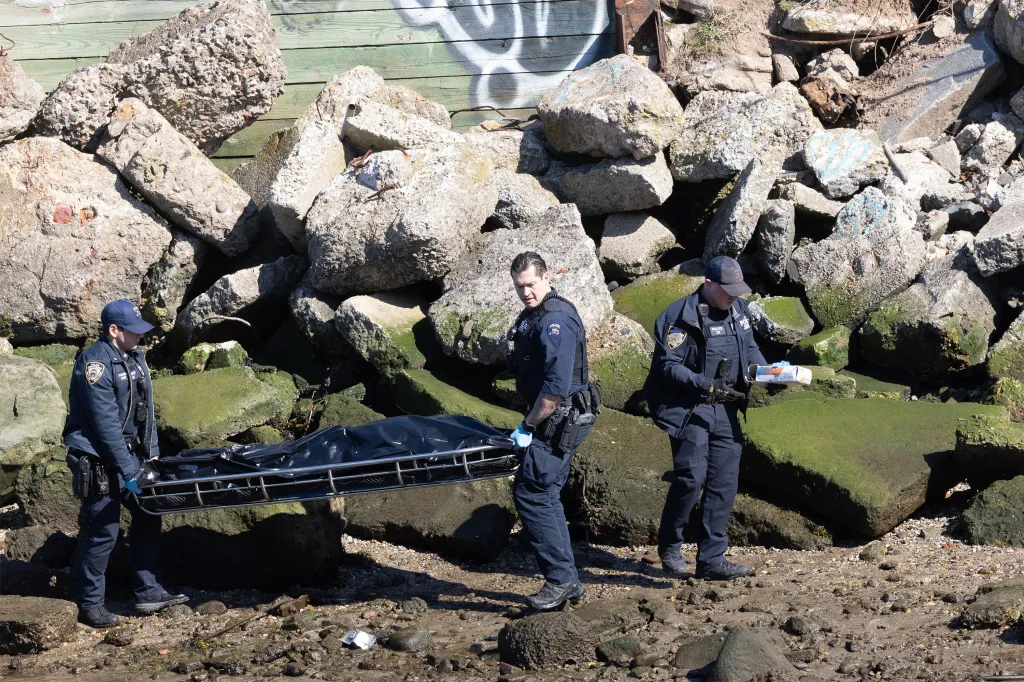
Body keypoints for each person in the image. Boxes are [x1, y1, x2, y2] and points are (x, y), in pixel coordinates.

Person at [62, 299, 187, 628]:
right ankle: (91, 605)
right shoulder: (95, 365)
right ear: (113, 330)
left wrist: (152, 452)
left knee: (149, 511)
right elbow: (105, 430)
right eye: (133, 332)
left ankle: (149, 590)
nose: (140, 337)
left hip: (130, 455)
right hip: (98, 460)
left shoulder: (135, 357)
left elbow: (146, 410)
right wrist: (130, 472)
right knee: (104, 531)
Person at [644, 256, 767, 581]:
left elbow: (750, 348)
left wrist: (768, 371)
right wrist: (703, 383)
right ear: (708, 284)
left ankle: (712, 559)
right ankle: (670, 545)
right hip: (689, 407)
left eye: (737, 290)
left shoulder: (739, 310)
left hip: (727, 405)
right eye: (727, 290)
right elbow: (667, 366)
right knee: (691, 478)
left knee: (724, 482)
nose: (733, 296)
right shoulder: (680, 316)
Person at [507, 252, 600, 611]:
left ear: (546, 277)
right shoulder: (536, 315)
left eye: (531, 284)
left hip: (557, 418)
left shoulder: (555, 321)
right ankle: (569, 583)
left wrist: (528, 425)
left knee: (533, 493)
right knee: (544, 494)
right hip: (552, 417)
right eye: (519, 287)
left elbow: (556, 388)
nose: (526, 292)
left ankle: (561, 581)